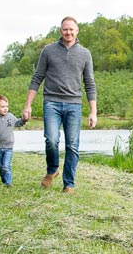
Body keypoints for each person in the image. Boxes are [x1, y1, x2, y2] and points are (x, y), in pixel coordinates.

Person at [22, 16, 97, 194]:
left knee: (72, 144)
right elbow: (37, 78)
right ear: (60, 31)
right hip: (52, 103)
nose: (68, 32)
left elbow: (90, 83)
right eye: (65, 29)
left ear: (77, 31)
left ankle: (69, 184)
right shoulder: (48, 51)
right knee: (51, 140)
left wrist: (93, 111)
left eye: (71, 29)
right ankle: (52, 169)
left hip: (74, 105)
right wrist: (28, 105)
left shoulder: (85, 54)